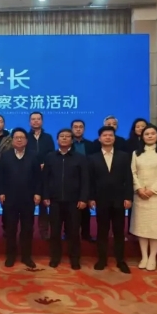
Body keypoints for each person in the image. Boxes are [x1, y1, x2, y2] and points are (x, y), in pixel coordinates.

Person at [43, 128, 89, 270]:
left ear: (72, 140)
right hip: (55, 201)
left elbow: (85, 180)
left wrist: (83, 198)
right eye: (61, 136)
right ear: (57, 139)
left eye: (67, 136)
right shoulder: (50, 157)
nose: (64, 138)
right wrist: (46, 195)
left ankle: (74, 258)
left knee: (74, 232)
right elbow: (45, 179)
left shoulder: (80, 158)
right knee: (55, 232)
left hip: (74, 202)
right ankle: (55, 257)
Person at [89, 126, 133, 273]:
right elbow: (91, 180)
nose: (108, 137)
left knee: (119, 231)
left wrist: (128, 197)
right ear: (99, 138)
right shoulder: (92, 157)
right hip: (101, 199)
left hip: (119, 199)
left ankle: (120, 260)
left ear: (114, 138)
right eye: (105, 135)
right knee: (102, 231)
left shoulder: (124, 156)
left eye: (110, 135)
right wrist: (91, 198)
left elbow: (128, 178)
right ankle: (102, 259)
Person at [130, 124, 157, 271]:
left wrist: (152, 190)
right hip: (140, 195)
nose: (149, 136)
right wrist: (139, 188)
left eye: (152, 133)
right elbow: (133, 172)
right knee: (141, 227)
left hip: (156, 196)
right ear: (142, 137)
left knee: (156, 228)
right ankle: (144, 256)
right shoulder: (136, 153)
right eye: (146, 134)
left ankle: (152, 257)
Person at [0, 128, 41, 268]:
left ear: (26, 141)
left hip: (28, 199)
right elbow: (1, 176)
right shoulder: (6, 156)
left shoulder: (33, 156)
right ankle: (10, 256)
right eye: (16, 137)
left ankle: (26, 256)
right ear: (12, 140)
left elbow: (38, 177)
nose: (19, 139)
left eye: (21, 137)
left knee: (27, 229)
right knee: (10, 229)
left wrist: (37, 193)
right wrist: (1, 192)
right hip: (10, 198)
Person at [27, 111, 56, 240]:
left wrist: (46, 164)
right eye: (33, 119)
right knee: (29, 204)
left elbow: (52, 154)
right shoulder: (26, 137)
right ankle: (28, 230)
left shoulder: (48, 137)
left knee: (44, 204)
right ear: (29, 122)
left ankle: (44, 231)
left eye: (38, 119)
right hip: (29, 175)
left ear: (42, 121)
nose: (35, 121)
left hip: (45, 175)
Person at [72, 119, 97, 242]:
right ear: (72, 129)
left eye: (80, 127)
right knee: (70, 210)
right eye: (75, 127)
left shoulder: (91, 145)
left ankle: (86, 234)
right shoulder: (67, 144)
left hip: (87, 178)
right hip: (71, 180)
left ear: (84, 129)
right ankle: (69, 233)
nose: (78, 129)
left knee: (85, 209)